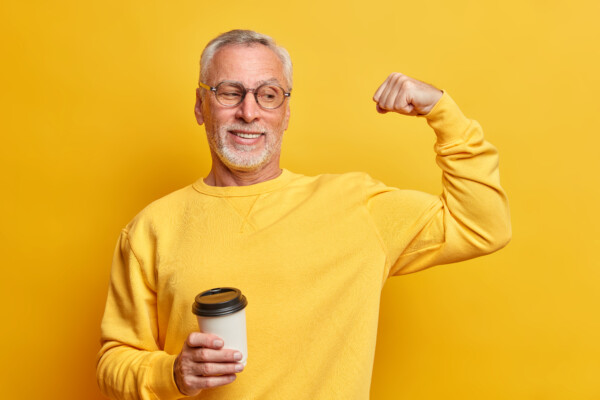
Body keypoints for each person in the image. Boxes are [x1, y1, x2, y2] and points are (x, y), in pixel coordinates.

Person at [96, 29, 511, 400]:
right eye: (229, 92)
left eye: (269, 94)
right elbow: (113, 361)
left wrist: (442, 111)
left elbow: (484, 225)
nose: (249, 111)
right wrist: (174, 374)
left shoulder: (356, 206)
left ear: (287, 112)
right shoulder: (151, 229)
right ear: (201, 106)